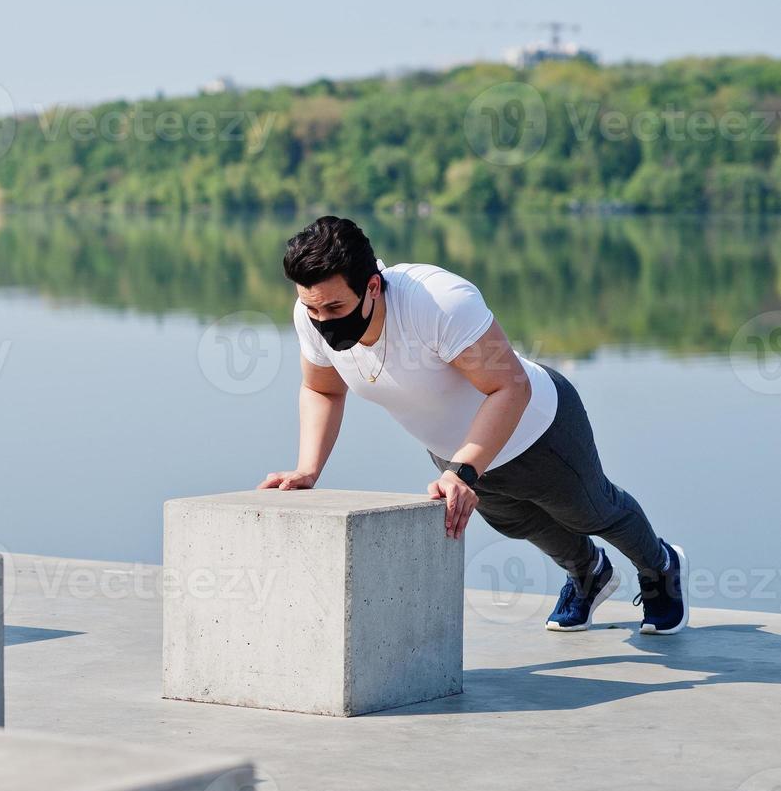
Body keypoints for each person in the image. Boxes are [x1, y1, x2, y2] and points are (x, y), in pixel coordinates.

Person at [259, 215, 687, 634]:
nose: (323, 321)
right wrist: (308, 469)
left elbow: (510, 387)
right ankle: (589, 574)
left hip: (536, 431)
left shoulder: (437, 301)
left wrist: (465, 469)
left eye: (335, 307)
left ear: (372, 285)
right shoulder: (311, 314)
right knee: (519, 523)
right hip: (457, 452)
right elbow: (323, 390)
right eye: (312, 307)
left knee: (593, 511)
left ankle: (661, 566)